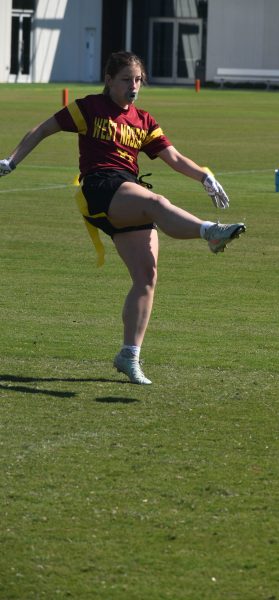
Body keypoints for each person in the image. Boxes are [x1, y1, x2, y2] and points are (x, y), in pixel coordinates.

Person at [0, 51, 245, 385]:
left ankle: (129, 355)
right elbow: (43, 129)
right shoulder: (89, 108)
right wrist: (12, 160)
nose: (134, 86)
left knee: (147, 276)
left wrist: (204, 176)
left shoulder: (144, 120)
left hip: (127, 191)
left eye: (138, 79)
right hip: (101, 186)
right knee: (156, 202)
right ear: (109, 80)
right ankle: (210, 232)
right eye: (127, 79)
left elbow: (173, 157)